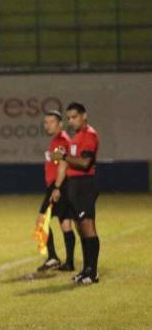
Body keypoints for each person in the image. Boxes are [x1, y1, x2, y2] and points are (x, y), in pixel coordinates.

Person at [51, 102, 100, 285]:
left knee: (88, 227)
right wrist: (64, 154)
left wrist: (64, 157)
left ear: (84, 115)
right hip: (74, 185)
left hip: (85, 185)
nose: (71, 121)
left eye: (75, 117)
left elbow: (85, 163)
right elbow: (73, 160)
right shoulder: (77, 137)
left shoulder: (89, 135)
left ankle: (92, 272)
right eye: (69, 118)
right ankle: (86, 270)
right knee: (81, 230)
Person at [36, 110, 75, 272]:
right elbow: (57, 157)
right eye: (46, 122)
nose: (48, 125)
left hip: (58, 185)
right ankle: (69, 262)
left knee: (41, 221)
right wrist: (51, 156)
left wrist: (57, 187)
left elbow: (62, 161)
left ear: (60, 124)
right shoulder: (60, 139)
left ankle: (53, 257)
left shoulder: (62, 139)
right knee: (65, 223)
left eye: (51, 122)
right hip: (62, 185)